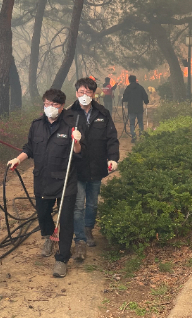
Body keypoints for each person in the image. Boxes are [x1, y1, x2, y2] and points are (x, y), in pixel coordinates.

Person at [7, 88, 83, 278]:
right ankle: (50, 236)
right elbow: (30, 148)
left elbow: (79, 153)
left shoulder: (71, 124)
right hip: (42, 179)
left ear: (62, 106)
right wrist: (18, 159)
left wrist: (77, 142)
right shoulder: (36, 125)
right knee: (42, 214)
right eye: (47, 104)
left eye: (55, 105)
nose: (50, 108)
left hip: (65, 181)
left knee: (65, 220)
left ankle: (62, 258)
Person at [69, 77, 119, 261]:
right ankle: (80, 238)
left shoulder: (102, 113)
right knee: (78, 205)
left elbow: (111, 137)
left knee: (92, 203)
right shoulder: (69, 114)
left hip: (97, 166)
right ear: (76, 93)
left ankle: (88, 228)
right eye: (81, 92)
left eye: (88, 92)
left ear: (94, 94)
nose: (85, 95)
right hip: (77, 167)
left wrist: (113, 158)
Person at [121, 75, 149, 143]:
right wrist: (146, 101)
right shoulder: (140, 88)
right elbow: (145, 96)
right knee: (140, 123)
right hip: (139, 108)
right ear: (135, 80)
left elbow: (125, 98)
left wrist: (123, 100)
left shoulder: (128, 88)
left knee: (132, 124)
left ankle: (133, 136)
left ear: (129, 80)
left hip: (131, 109)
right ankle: (141, 135)